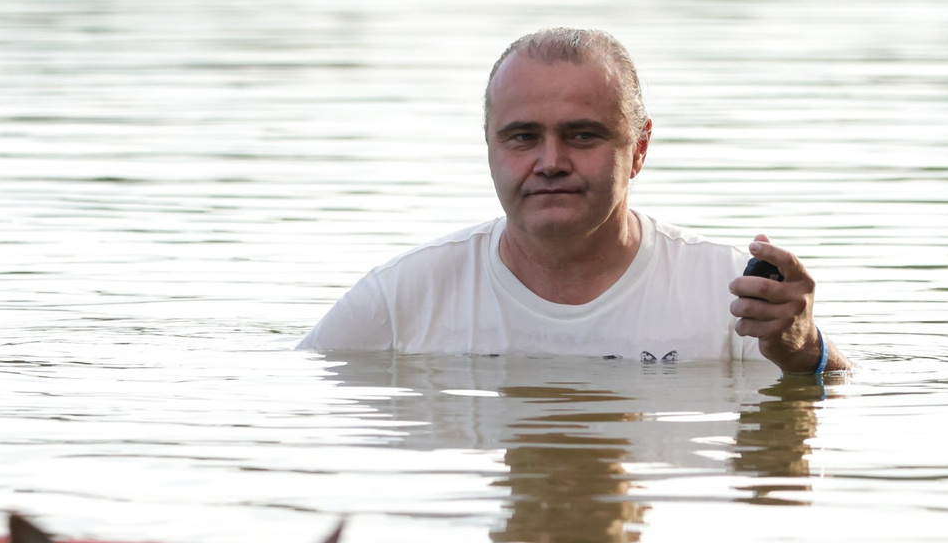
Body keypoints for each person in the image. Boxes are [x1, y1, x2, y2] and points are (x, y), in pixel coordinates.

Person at [299, 28, 842, 375]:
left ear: (640, 148)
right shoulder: (401, 297)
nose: (551, 161)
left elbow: (834, 410)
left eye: (582, 136)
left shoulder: (733, 296)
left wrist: (805, 351)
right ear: (489, 145)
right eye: (522, 138)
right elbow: (299, 408)